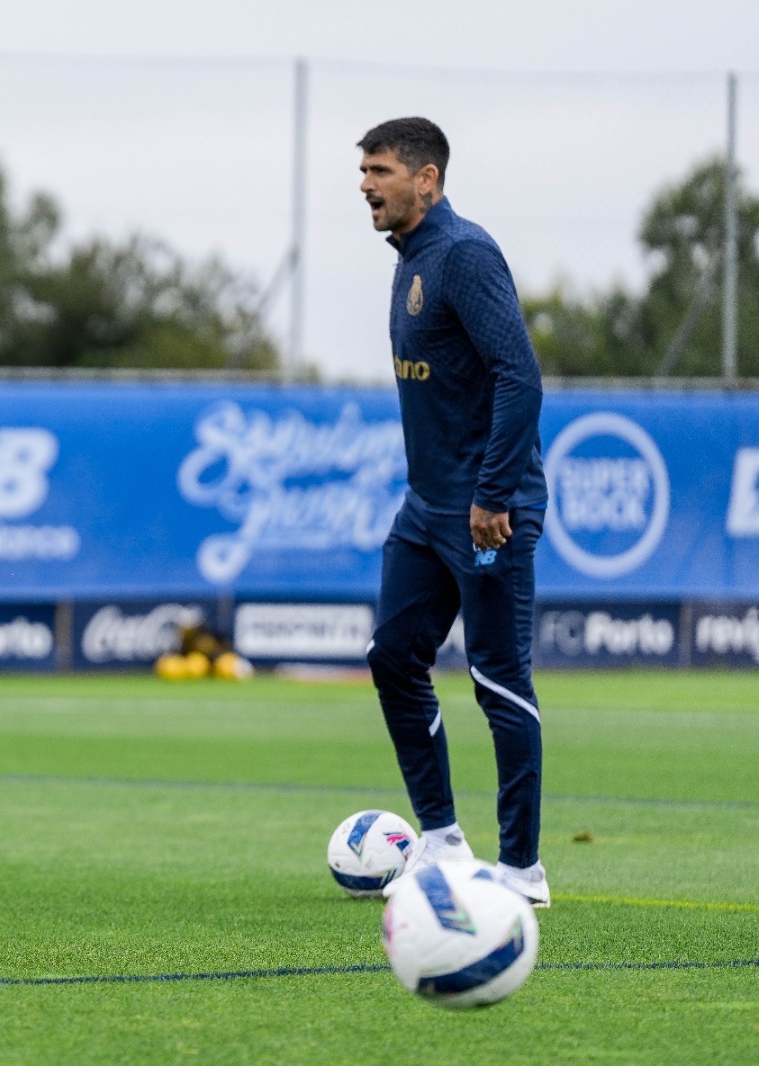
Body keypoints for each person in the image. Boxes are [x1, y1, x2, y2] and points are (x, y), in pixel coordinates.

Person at [357, 117, 550, 907]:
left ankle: (522, 873)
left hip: (485, 509)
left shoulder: (464, 254)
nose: (365, 185)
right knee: (392, 654)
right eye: (362, 173)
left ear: (426, 179)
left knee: (498, 682)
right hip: (424, 508)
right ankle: (439, 842)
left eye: (379, 171)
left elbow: (521, 376)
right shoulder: (411, 259)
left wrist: (494, 493)